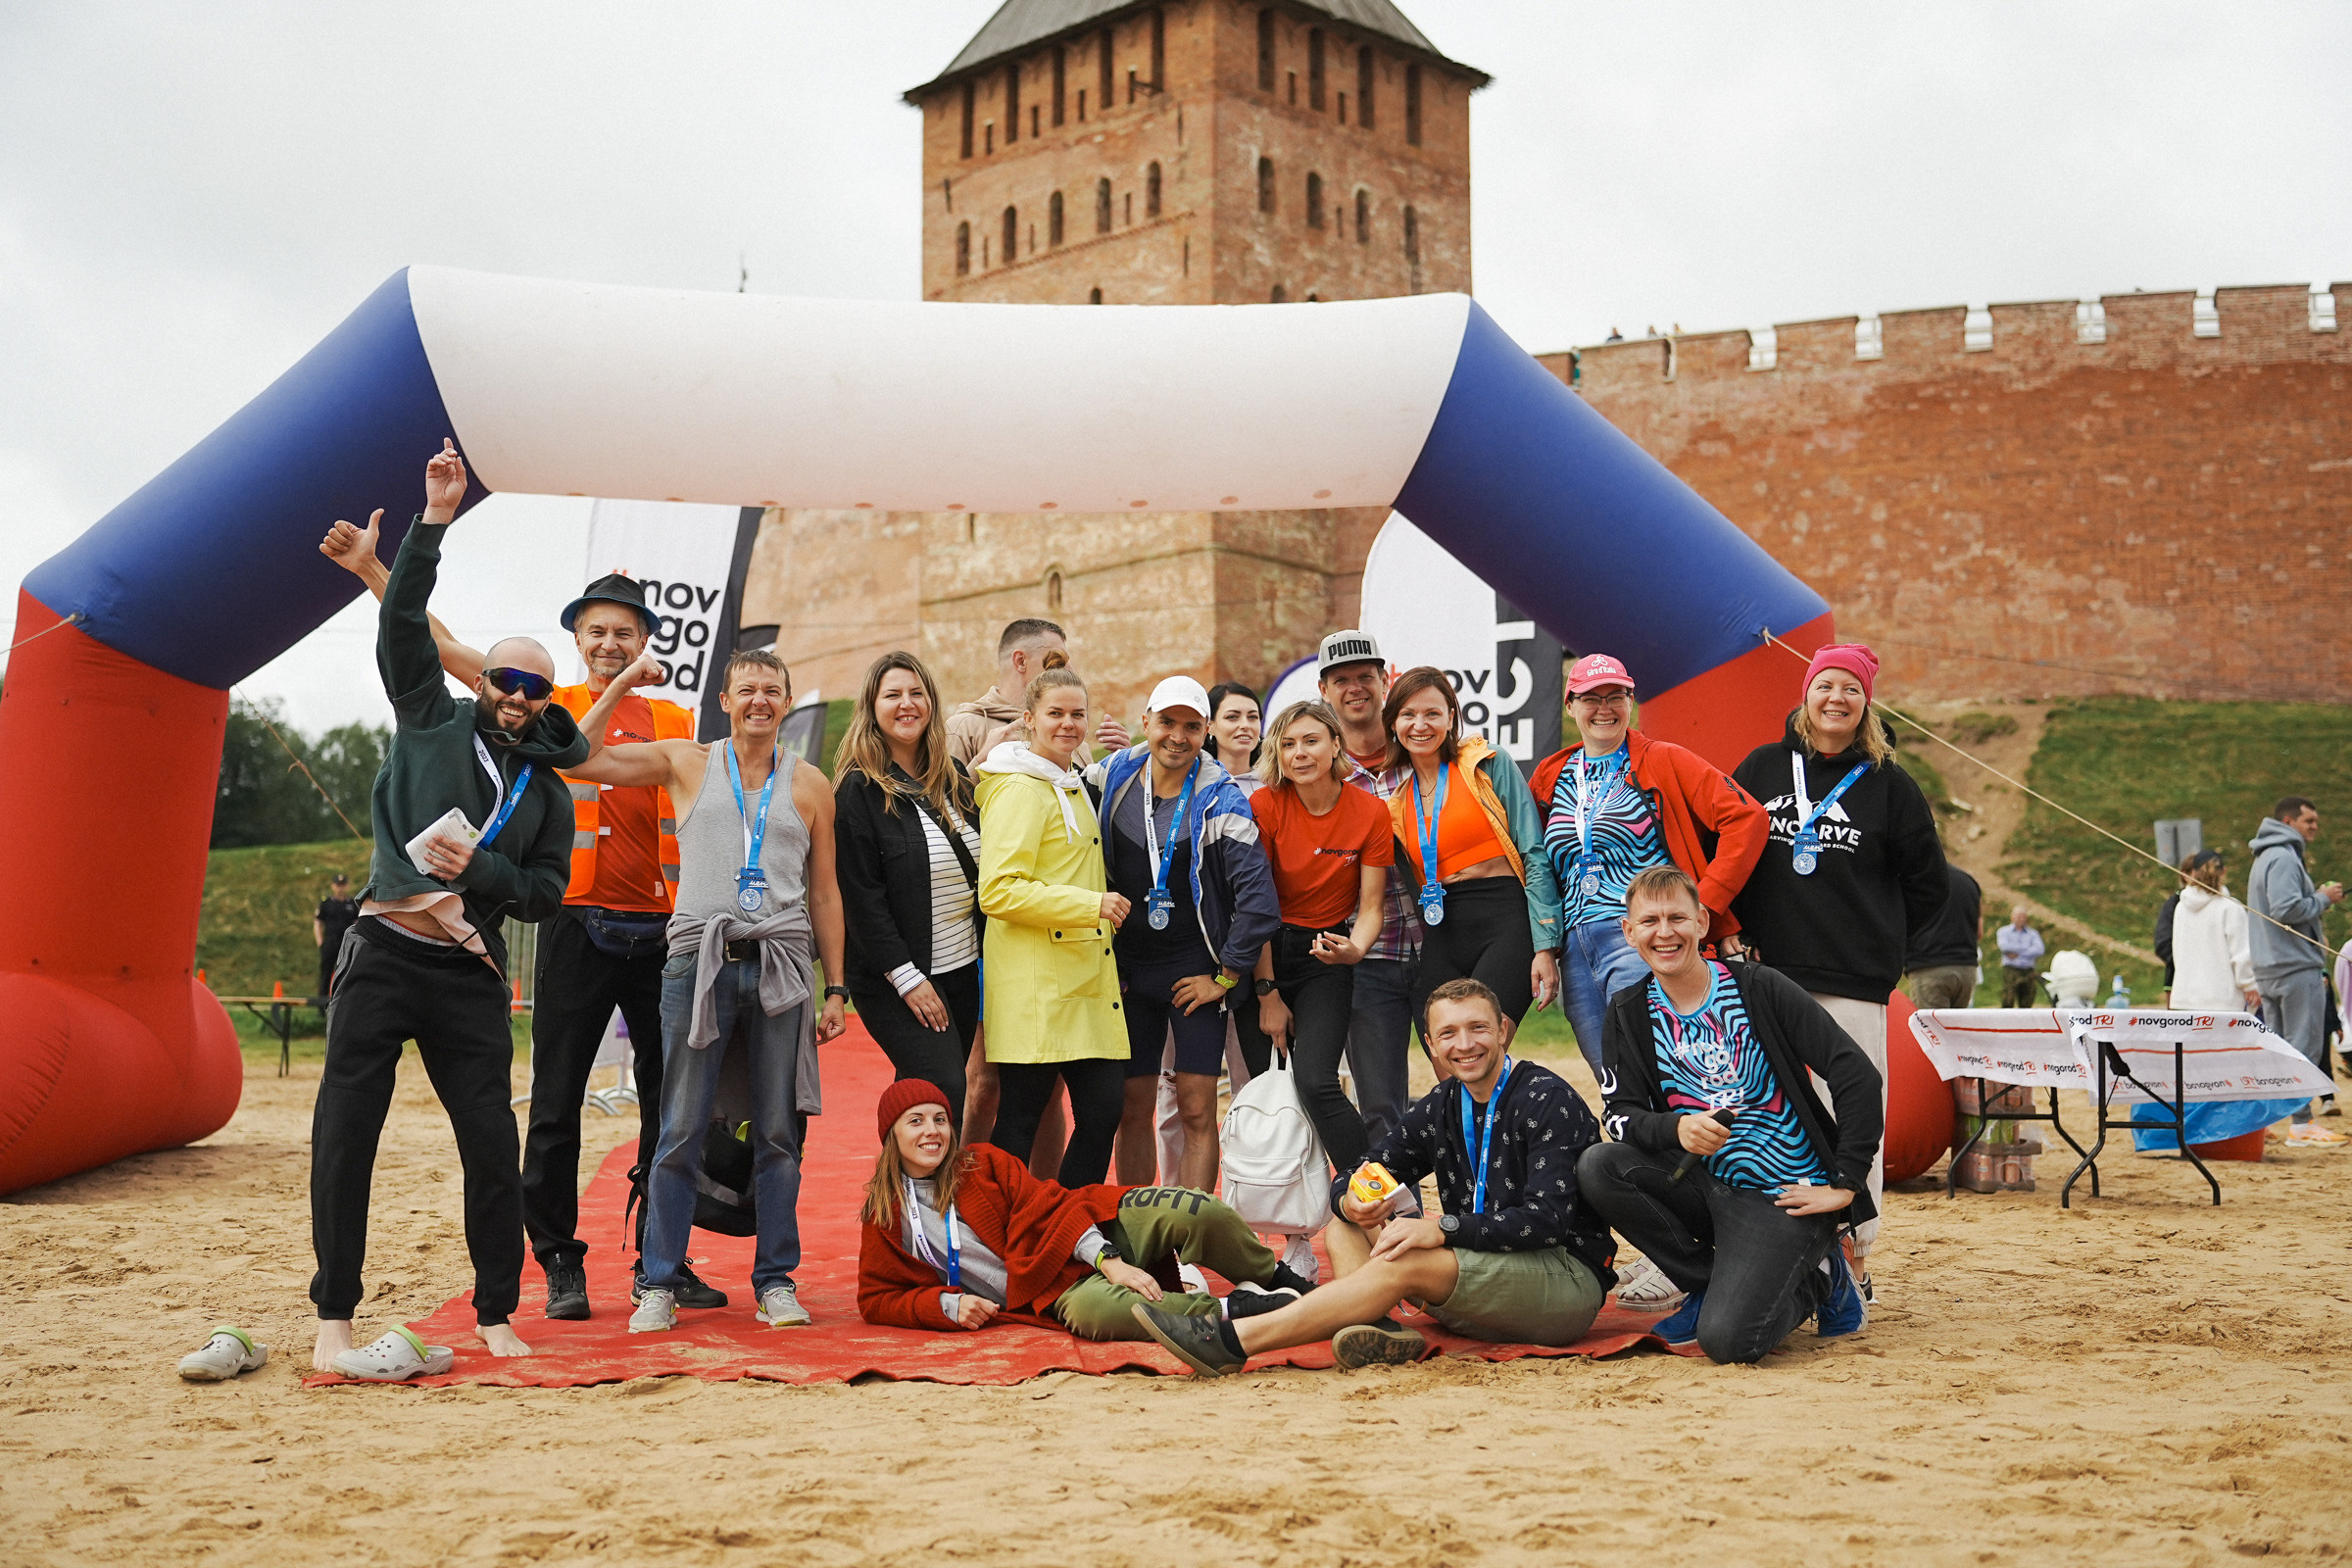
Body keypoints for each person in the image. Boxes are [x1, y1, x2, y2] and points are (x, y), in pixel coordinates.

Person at [319, 516, 710, 1322]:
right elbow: (432, 637)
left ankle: (660, 1260)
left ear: (644, 639)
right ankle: (559, 1261)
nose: (609, 643)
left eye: (624, 633)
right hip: (575, 924)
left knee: (668, 1103)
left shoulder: (676, 723)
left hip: (660, 930)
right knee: (556, 1102)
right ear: (576, 639)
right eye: (597, 631)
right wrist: (373, 569)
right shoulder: (539, 704)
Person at [309, 440, 586, 1372]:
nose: (515, 696)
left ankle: (498, 1313)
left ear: (546, 701)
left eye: (534, 688)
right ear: (480, 682)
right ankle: (334, 1320)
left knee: (489, 1142)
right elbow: (400, 628)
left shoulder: (550, 795)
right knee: (347, 1133)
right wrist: (433, 522)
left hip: (469, 970)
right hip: (384, 950)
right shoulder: (428, 714)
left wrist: (487, 872)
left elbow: (547, 897)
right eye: (504, 680)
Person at [564, 646, 848, 1334]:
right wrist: (625, 682)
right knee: (681, 1124)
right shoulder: (685, 761)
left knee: (780, 1131)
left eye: (771, 690)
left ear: (784, 702)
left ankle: (776, 1280)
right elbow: (578, 760)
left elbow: (824, 892)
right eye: (746, 688)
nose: (759, 700)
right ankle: (658, 1280)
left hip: (780, 963)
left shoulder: (810, 784)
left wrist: (836, 985)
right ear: (725, 700)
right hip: (698, 961)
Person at [1133, 978, 1614, 1376]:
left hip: (1561, 1281)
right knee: (1345, 1223)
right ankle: (1378, 1324)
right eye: (1448, 1034)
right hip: (1477, 1277)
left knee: (1404, 1259)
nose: (1464, 1045)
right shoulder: (1442, 1106)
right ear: (1430, 1043)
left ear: (1505, 1030)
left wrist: (1441, 1230)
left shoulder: (1547, 1098)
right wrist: (1353, 1202)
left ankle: (1232, 1341)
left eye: (1477, 1028)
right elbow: (1359, 1173)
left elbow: (1546, 1221)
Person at [1580, 865, 1880, 1364]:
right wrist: (1674, 1127)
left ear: (1701, 921)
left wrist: (1846, 1182)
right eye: (1649, 921)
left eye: (1677, 917)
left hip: (1785, 1194)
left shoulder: (1758, 986)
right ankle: (1707, 1284)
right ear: (1629, 932)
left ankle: (1823, 1280)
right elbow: (1619, 1116)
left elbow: (1856, 1074)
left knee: (1729, 1343)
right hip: (1702, 1182)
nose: (1665, 932)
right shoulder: (1628, 1010)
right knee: (1599, 1165)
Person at [1726, 643, 1943, 1278]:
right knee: (1772, 1109)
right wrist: (1732, 928)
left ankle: (1854, 1254)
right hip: (1768, 974)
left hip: (1853, 981)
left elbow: (1931, 884)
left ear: (1866, 703)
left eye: (1851, 689)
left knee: (1854, 1111)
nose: (1836, 699)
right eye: (1826, 686)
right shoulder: (1763, 768)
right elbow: (1726, 847)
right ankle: (1775, 1251)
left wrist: (1885, 944)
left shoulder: (1890, 785)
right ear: (1806, 694)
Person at [858, 1081, 1313, 1341]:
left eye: (939, 1119)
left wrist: (1106, 1258)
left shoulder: (981, 1162)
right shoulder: (886, 1216)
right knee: (1100, 1315)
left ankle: (1280, 1280)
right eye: (915, 1122)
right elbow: (876, 1300)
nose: (932, 1131)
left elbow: (1044, 1204)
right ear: (890, 1136)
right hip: (1045, 1293)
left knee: (1195, 1210)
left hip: (1087, 1229)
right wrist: (943, 1304)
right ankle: (1238, 1310)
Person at [1529, 652, 1768, 1072]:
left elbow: (1747, 818)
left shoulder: (1663, 759)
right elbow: (1539, 868)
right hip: (1576, 950)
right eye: (1590, 698)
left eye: (1615, 696)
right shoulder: (1553, 774)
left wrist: (1705, 906)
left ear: (1631, 702)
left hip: (1642, 938)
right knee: (1613, 1080)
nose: (1604, 708)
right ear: (1570, 705)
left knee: (1658, 1072)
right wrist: (1545, 945)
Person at [1095, 676, 1281, 1189]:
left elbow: (1259, 904)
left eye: (1192, 727)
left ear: (1206, 733)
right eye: (1167, 723)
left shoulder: (1221, 798)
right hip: (1129, 975)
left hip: (1194, 973)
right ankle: (1138, 1234)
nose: (1178, 736)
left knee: (1198, 1107)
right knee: (1132, 1108)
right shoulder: (1112, 776)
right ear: (1146, 723)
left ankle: (1191, 1241)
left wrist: (1224, 977)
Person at [973, 662, 1131, 1186]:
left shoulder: (1069, 783)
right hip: (1037, 986)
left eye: (1078, 714)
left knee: (1103, 1113)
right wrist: (1092, 906)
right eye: (1055, 713)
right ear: (1027, 719)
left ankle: (1063, 1229)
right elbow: (998, 890)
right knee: (1020, 1121)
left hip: (1083, 978)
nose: (1069, 724)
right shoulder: (1020, 788)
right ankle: (997, 1235)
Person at [833, 652, 984, 1133]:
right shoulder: (859, 791)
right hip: (898, 977)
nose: (907, 704)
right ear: (871, 707)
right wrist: (908, 980)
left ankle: (905, 1204)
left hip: (961, 968)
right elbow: (860, 898)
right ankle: (928, 1204)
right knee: (941, 1091)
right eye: (892, 695)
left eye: (916, 693)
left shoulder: (954, 778)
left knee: (921, 1093)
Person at [1247, 700, 1393, 1174]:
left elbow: (1371, 907)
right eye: (1287, 744)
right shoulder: (1264, 805)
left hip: (1325, 955)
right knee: (1269, 1095)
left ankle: (1376, 1196)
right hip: (1263, 951)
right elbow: (1255, 907)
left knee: (1315, 1082)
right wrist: (1267, 992)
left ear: (1335, 744)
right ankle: (1292, 1238)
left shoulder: (1369, 811)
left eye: (1311, 741)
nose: (1299, 754)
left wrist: (1356, 949)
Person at [1382, 665, 1562, 1033]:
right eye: (1408, 715)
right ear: (1393, 725)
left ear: (1451, 718)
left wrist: (1545, 946)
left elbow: (1533, 852)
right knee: (1444, 1057)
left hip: (1505, 922)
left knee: (1483, 1044)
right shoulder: (1397, 805)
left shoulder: (1486, 762)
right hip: (1443, 929)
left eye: (1432, 713)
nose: (1420, 725)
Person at [1317, 631, 1418, 1145]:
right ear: (1324, 691)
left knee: (1468, 1082)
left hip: (1437, 948)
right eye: (1342, 680)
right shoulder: (1320, 778)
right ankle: (1393, 1220)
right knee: (1380, 1103)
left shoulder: (1424, 756)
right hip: (1369, 958)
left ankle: (1472, 1211)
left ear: (1385, 681)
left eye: (1365, 677)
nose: (1355, 688)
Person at [2135, 852, 2300, 1152]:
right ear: (2222, 873)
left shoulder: (2181, 908)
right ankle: (2228, 1132)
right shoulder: (2230, 908)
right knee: (2226, 1071)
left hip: (2186, 998)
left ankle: (2192, 1133)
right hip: (2221, 1001)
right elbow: (2241, 953)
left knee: (2192, 1072)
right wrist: (2250, 985)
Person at [2248, 797, 2346, 1144]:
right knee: (2302, 1048)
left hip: (2271, 967)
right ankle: (2302, 1125)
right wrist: (2323, 899)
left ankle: (2266, 1123)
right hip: (2293, 968)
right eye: (2309, 821)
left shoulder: (2266, 856)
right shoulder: (2284, 857)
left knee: (2278, 1049)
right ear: (2288, 821)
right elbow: (2286, 909)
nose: (2315, 827)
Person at [1904, 863, 1984, 1010]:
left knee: (1928, 1031)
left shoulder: (1917, 879)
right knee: (1956, 1030)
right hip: (1966, 970)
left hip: (1930, 968)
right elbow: (1979, 932)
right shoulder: (1968, 881)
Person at [1203, 682, 1264, 789]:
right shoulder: (1194, 784)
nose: (1245, 725)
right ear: (1210, 726)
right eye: (1232, 717)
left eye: (1253, 717)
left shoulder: (1274, 786)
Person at [313, 874, 359, 1003]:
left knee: (346, 972)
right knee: (326, 973)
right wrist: (320, 942)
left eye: (343, 885)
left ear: (347, 886)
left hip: (346, 943)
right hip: (330, 942)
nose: (340, 889)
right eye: (338, 886)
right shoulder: (326, 903)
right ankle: (321, 1004)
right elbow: (317, 923)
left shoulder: (352, 904)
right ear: (333, 886)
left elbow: (357, 924)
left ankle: (344, 1002)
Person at [1996, 906, 2045, 1006]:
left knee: (2027, 1000)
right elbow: (2004, 947)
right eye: (2019, 916)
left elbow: (2040, 949)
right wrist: (2028, 949)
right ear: (2012, 917)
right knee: (2008, 999)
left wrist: (2018, 953)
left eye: (2024, 916)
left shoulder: (2033, 933)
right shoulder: (2003, 931)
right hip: (2011, 970)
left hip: (2028, 970)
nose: (2022, 919)